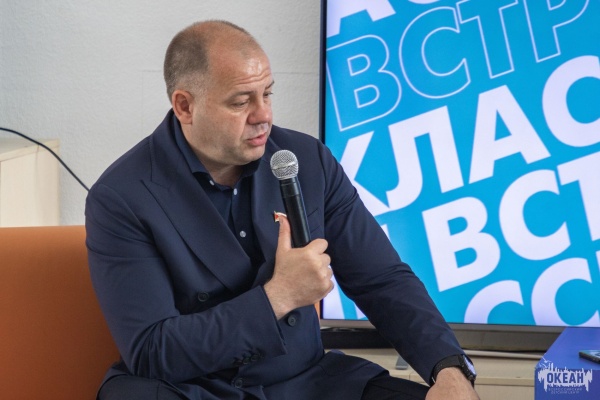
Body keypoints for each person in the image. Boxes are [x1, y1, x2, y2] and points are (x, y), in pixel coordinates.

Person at [85, 20, 480, 400]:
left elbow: (382, 280)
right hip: (193, 388)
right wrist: (279, 295)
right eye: (241, 101)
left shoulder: (307, 159)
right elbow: (154, 351)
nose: (264, 116)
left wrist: (449, 369)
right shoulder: (121, 196)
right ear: (185, 106)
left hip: (306, 382)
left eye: (267, 94)